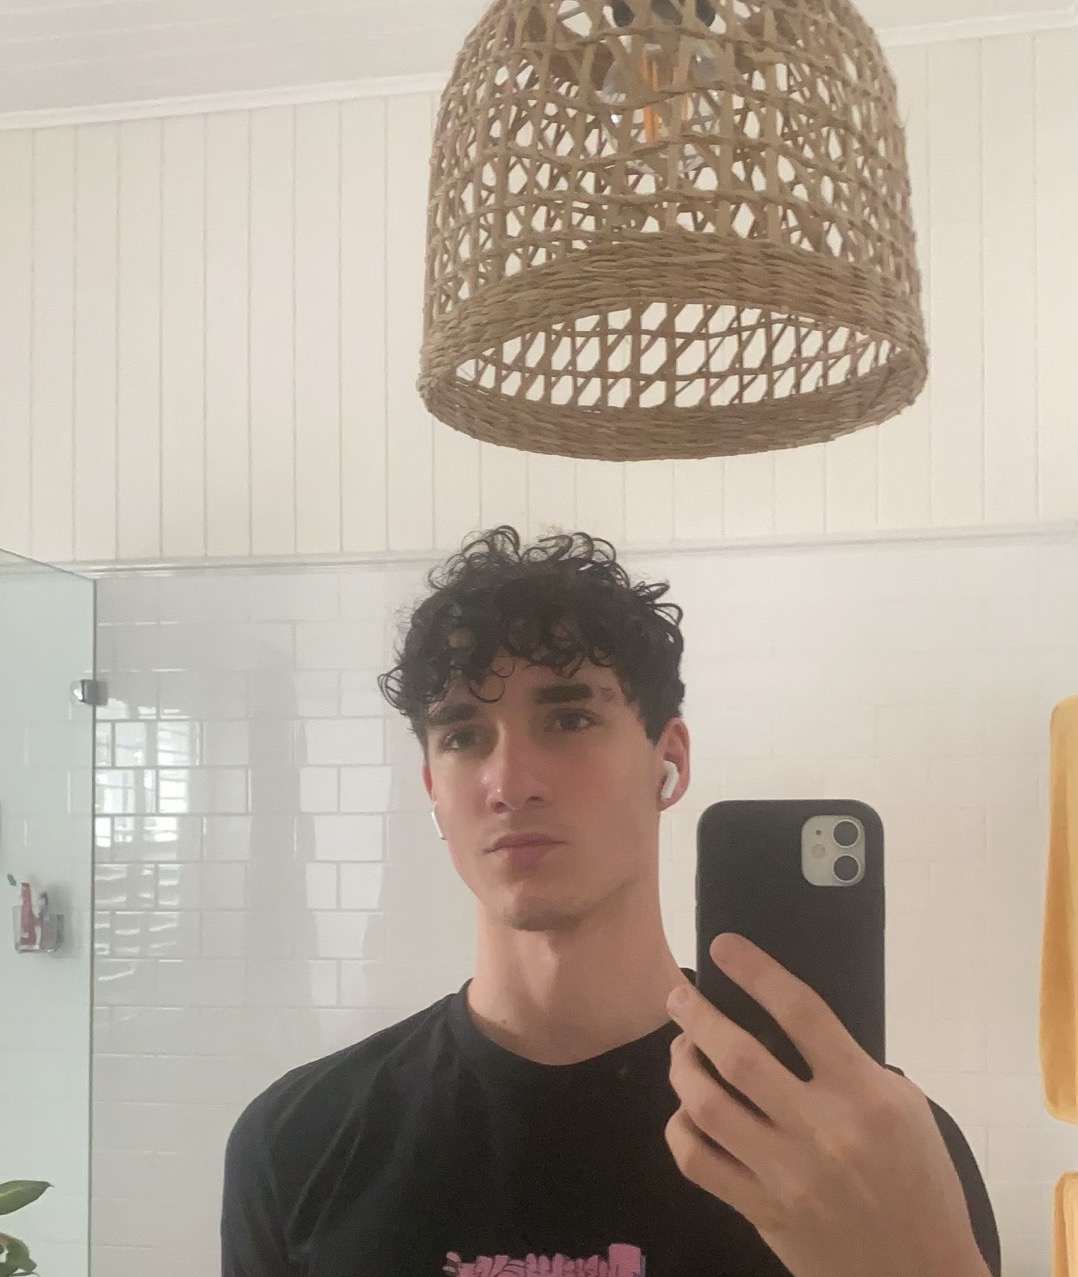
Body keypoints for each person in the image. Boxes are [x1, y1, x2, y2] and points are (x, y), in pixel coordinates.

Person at [221, 526, 1001, 1277]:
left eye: (568, 718)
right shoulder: (297, 1142)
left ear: (669, 761)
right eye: (462, 735)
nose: (509, 781)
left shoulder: (858, 1151)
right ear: (432, 787)